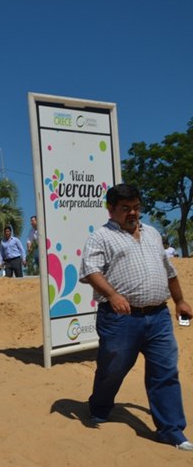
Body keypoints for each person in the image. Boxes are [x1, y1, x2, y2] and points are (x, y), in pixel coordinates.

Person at [80, 183, 193, 451]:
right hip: (120, 319)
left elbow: (169, 272)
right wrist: (113, 295)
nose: (132, 213)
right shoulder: (101, 237)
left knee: (165, 372)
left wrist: (179, 300)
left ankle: (171, 431)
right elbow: (91, 271)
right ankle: (100, 407)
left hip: (159, 317)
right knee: (112, 369)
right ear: (111, 209)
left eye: (136, 207)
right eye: (126, 208)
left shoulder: (152, 233)